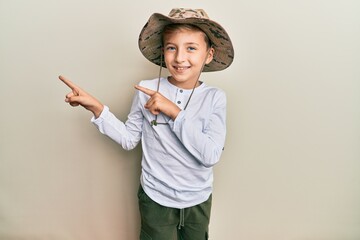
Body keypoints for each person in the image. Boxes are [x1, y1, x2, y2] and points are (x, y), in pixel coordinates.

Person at [59, 8, 234, 240]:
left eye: (191, 48)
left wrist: (173, 111)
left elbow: (210, 155)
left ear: (208, 54)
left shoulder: (215, 98)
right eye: (172, 47)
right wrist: (95, 107)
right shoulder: (146, 90)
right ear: (163, 52)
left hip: (197, 199)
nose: (180, 58)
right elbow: (129, 139)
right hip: (155, 197)